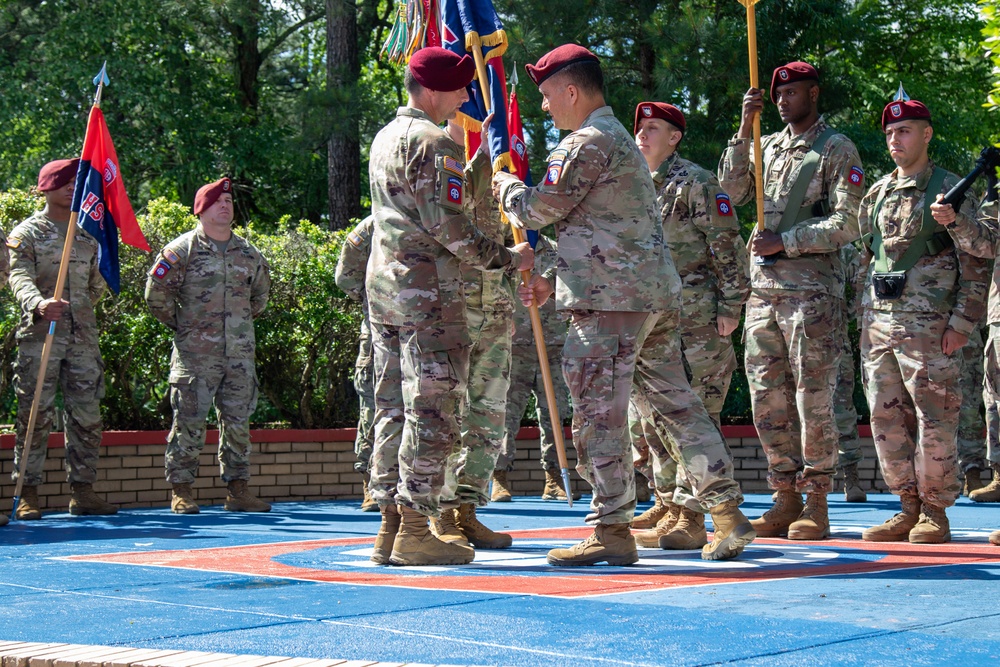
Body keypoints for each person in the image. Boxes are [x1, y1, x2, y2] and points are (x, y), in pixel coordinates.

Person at [495, 44, 754, 566]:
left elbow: (541, 208)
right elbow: (589, 226)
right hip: (646, 299)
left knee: (597, 415)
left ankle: (612, 528)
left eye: (547, 96)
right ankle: (725, 513)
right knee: (678, 406)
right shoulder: (618, 142)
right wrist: (550, 277)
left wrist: (503, 185)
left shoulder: (587, 142)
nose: (544, 107)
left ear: (572, 91)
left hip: (609, 303)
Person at [365, 47, 533, 567]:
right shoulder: (433, 142)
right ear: (434, 90)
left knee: (392, 408)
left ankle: (390, 527)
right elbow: (452, 230)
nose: (466, 97)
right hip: (430, 297)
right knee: (434, 411)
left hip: (388, 294)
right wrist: (508, 258)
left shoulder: (385, 137)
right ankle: (416, 527)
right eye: (459, 88)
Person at [718, 61, 866, 540]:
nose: (782, 101)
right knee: (767, 398)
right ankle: (784, 495)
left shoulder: (836, 148)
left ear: (814, 94)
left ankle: (817, 499)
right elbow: (731, 191)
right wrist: (743, 128)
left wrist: (789, 241)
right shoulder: (767, 145)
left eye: (793, 92)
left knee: (813, 396)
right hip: (763, 293)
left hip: (812, 295)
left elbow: (850, 221)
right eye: (777, 94)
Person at [859, 99, 987, 544]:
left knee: (935, 420)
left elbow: (976, 262)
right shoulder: (876, 193)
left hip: (932, 328)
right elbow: (867, 258)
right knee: (885, 420)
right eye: (891, 134)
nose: (897, 140)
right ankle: (906, 506)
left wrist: (963, 323)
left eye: (907, 131)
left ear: (927, 134)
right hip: (878, 326)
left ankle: (935, 510)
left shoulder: (951, 188)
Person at [630, 101, 750, 545]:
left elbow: (727, 245)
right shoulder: (635, 183)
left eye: (654, 128)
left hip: (697, 320)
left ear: (675, 137)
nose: (642, 134)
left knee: (695, 413)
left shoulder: (696, 183)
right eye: (640, 127)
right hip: (652, 319)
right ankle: (670, 503)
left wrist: (731, 306)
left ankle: (694, 518)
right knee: (652, 420)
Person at [145, 177, 272, 515]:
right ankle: (182, 491)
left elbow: (259, 296)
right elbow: (156, 296)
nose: (225, 205)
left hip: (239, 356)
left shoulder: (248, 253)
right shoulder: (181, 251)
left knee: (238, 422)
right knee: (188, 421)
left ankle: (238, 490)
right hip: (195, 356)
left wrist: (238, 327)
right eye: (217, 201)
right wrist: (185, 326)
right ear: (201, 210)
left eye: (229, 201)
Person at [6, 158, 115, 519]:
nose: (72, 187)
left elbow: (96, 284)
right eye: (64, 182)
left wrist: (79, 311)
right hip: (41, 338)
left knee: (86, 416)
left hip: (82, 339)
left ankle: (83, 491)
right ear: (46, 187)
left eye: (76, 182)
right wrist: (39, 304)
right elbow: (17, 277)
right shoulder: (28, 233)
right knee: (34, 415)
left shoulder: (86, 234)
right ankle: (28, 492)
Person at [428, 120, 517, 549]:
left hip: (496, 312)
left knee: (488, 419)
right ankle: (439, 513)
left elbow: (513, 236)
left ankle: (467, 508)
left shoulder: (497, 168)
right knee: (448, 416)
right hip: (456, 311)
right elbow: (449, 230)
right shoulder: (437, 166)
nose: (469, 117)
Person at [493, 234, 576, 502]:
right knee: (507, 414)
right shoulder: (503, 250)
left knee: (554, 412)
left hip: (551, 345)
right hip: (514, 345)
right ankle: (498, 476)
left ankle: (554, 477)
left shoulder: (557, 251)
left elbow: (569, 287)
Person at [335, 215, 379, 512]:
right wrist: (373, 297)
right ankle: (370, 485)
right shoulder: (371, 226)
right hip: (377, 336)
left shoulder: (433, 212)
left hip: (425, 334)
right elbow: (345, 276)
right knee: (374, 411)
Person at [835, 243, 866, 502]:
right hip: (783, 332)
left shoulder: (841, 245)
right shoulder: (774, 231)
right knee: (785, 410)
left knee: (842, 408)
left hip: (832, 336)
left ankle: (851, 474)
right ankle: (789, 484)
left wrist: (855, 318)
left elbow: (862, 281)